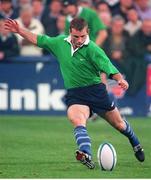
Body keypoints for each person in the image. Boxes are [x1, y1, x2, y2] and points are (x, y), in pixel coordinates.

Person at [4, 17, 145, 169]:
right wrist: (19, 30)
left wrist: (120, 80)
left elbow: (109, 67)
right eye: (76, 36)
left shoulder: (93, 49)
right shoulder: (60, 43)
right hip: (76, 94)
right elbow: (39, 39)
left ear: (87, 32)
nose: (79, 39)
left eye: (82, 36)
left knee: (119, 125)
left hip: (96, 92)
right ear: (70, 32)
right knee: (77, 119)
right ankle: (86, 153)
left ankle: (136, 144)